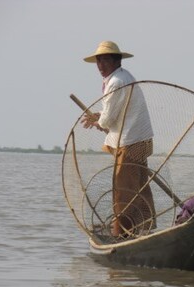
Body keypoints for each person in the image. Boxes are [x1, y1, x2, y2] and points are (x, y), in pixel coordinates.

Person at [81, 41, 155, 238]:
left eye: (105, 60)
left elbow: (108, 119)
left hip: (130, 140)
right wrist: (99, 117)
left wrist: (99, 122)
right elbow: (111, 111)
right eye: (98, 61)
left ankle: (122, 233)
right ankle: (144, 227)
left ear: (116, 60)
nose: (101, 65)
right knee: (138, 185)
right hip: (138, 138)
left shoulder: (116, 82)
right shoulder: (122, 77)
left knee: (123, 189)